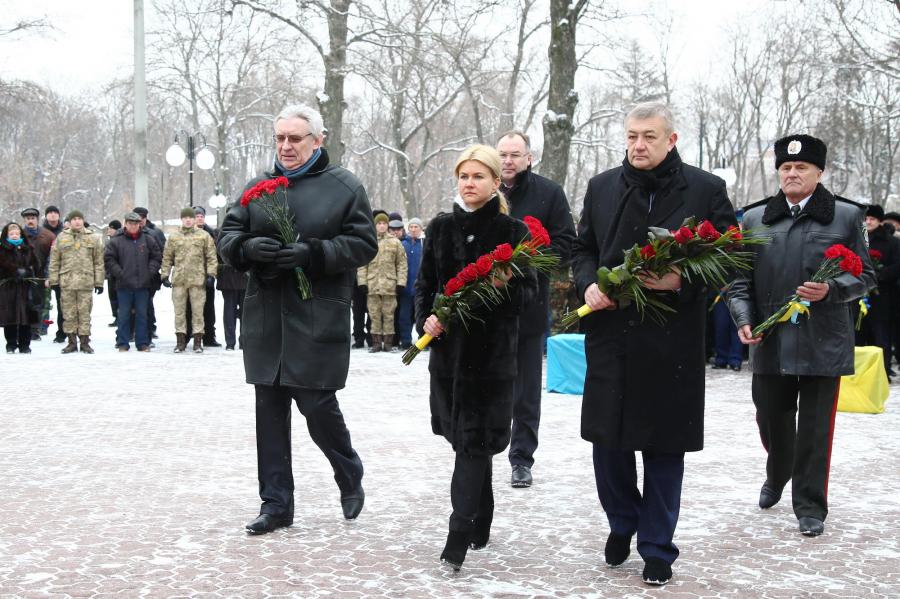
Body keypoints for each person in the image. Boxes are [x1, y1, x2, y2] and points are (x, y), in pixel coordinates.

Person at [571, 102, 737, 586]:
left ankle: (657, 546)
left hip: (672, 343)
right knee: (607, 442)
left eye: (648, 136)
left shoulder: (705, 190)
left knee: (665, 447)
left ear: (672, 139)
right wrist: (587, 285)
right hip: (611, 336)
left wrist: (681, 278)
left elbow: (729, 257)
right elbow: (583, 248)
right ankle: (623, 522)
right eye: (631, 136)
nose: (638, 145)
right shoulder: (602, 187)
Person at [218, 103, 377, 534]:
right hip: (266, 317)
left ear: (317, 141)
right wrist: (246, 249)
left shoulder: (344, 186)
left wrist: (313, 253)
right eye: (280, 138)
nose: (286, 146)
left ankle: (348, 472)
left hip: (316, 314)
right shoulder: (258, 188)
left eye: (295, 139)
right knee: (269, 413)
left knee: (317, 405)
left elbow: (364, 244)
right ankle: (276, 504)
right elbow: (228, 236)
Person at [726, 134, 875, 538]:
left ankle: (810, 504)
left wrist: (832, 289)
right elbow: (738, 279)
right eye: (786, 168)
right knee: (769, 417)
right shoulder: (755, 219)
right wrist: (743, 318)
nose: (792, 174)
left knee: (813, 427)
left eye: (801, 168)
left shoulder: (846, 216)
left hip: (822, 340)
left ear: (819, 172)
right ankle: (778, 473)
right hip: (770, 340)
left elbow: (865, 275)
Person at [416, 144, 538, 571]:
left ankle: (458, 535)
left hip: (490, 360)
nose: (470, 184)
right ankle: (482, 514)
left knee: (473, 442)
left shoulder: (513, 232)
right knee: (464, 442)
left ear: (495, 183)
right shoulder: (440, 227)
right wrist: (426, 320)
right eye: (464, 176)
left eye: (478, 177)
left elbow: (529, 294)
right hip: (448, 358)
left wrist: (505, 284)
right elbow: (425, 285)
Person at [495, 130, 576, 488]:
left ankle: (522, 458)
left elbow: (565, 245)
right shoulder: (482, 186)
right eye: (503, 154)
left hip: (527, 306)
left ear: (529, 158)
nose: (508, 161)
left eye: (515, 155)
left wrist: (525, 263)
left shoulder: (548, 193)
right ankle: (481, 448)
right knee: (488, 383)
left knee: (526, 388)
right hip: (485, 307)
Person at [46, 210, 105, 354]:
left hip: (85, 282)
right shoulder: (61, 238)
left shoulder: (94, 238)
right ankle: (71, 342)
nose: (77, 221)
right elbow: (54, 261)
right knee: (68, 313)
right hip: (67, 282)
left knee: (84, 313)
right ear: (69, 222)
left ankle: (85, 342)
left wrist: (99, 282)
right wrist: (54, 280)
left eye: (80, 218)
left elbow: (98, 262)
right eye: (74, 219)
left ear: (83, 220)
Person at [160, 208, 218, 353]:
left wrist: (211, 275)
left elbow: (211, 257)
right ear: (181, 219)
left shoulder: (204, 236)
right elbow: (167, 257)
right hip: (179, 280)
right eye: (185, 217)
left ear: (194, 220)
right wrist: (164, 275)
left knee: (198, 312)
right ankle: (180, 341)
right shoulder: (174, 237)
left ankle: (198, 341)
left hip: (198, 280)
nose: (188, 220)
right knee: (179, 312)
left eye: (190, 218)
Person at [104, 212, 162, 352]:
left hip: (143, 285)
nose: (133, 226)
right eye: (130, 223)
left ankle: (142, 343)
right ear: (125, 224)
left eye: (136, 223)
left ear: (139, 224)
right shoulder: (116, 240)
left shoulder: (148, 239)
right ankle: (123, 342)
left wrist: (150, 272)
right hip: (123, 285)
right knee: (123, 315)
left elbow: (157, 257)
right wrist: (120, 273)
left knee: (142, 315)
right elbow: (109, 259)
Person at [855, 204, 900, 378]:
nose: (868, 222)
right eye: (866, 219)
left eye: (872, 219)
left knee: (881, 334)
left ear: (880, 221)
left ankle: (882, 371)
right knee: (859, 332)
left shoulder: (892, 242)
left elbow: (897, 265)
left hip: (882, 295)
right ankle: (859, 373)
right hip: (858, 294)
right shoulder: (858, 238)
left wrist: (878, 275)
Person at [357, 213, 407, 353]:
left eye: (384, 223)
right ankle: (376, 343)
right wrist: (362, 283)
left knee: (389, 315)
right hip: (372, 285)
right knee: (374, 315)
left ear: (388, 225)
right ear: (375, 225)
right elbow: (362, 264)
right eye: (379, 223)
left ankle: (389, 343)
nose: (382, 225)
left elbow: (402, 264)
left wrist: (401, 283)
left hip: (390, 286)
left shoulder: (395, 242)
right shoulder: (369, 242)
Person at [0, 223, 43, 353]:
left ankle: (25, 345)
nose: (14, 236)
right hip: (8, 288)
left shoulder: (28, 248)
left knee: (26, 318)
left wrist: (27, 271)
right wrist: (13, 272)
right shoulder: (2, 250)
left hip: (25, 288)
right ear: (7, 235)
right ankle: (11, 344)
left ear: (21, 234)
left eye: (16, 233)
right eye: (11, 234)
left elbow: (36, 265)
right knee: (10, 318)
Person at [185, 206, 221, 347]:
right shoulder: (186, 233)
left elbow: (215, 255)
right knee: (189, 308)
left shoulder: (211, 233)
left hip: (207, 276)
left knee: (208, 309)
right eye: (197, 215)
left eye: (201, 215)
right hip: (190, 277)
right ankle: (188, 334)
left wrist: (212, 274)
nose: (199, 218)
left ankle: (209, 337)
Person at [20, 207, 56, 341]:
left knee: (38, 304)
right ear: (24, 220)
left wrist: (48, 275)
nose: (30, 221)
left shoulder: (48, 235)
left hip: (41, 276)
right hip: (23, 276)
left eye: (33, 218)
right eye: (28, 219)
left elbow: (52, 257)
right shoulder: (19, 234)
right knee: (24, 303)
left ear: (37, 219)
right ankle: (25, 328)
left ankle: (35, 330)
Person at [133, 206, 166, 339]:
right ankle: (134, 330)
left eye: (143, 218)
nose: (140, 221)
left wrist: (154, 270)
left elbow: (163, 253)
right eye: (138, 218)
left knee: (146, 303)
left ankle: (149, 329)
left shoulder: (155, 233)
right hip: (131, 275)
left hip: (150, 275)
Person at [215, 224, 248, 351]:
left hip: (243, 279)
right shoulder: (221, 233)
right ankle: (230, 341)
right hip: (229, 280)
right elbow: (217, 256)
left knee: (243, 312)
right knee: (230, 312)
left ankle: (242, 341)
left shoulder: (246, 230)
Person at [398, 217, 424, 350]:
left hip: (420, 288)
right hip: (406, 287)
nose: (414, 229)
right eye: (411, 227)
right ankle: (406, 341)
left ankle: (422, 341)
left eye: (416, 227)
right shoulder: (403, 244)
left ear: (421, 229)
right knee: (404, 316)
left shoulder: (424, 244)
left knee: (421, 316)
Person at [105, 220, 122, 328]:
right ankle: (116, 316)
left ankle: (120, 317)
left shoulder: (119, 241)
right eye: (109, 228)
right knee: (112, 297)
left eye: (111, 228)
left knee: (118, 297)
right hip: (110, 274)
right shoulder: (109, 241)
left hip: (118, 274)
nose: (109, 230)